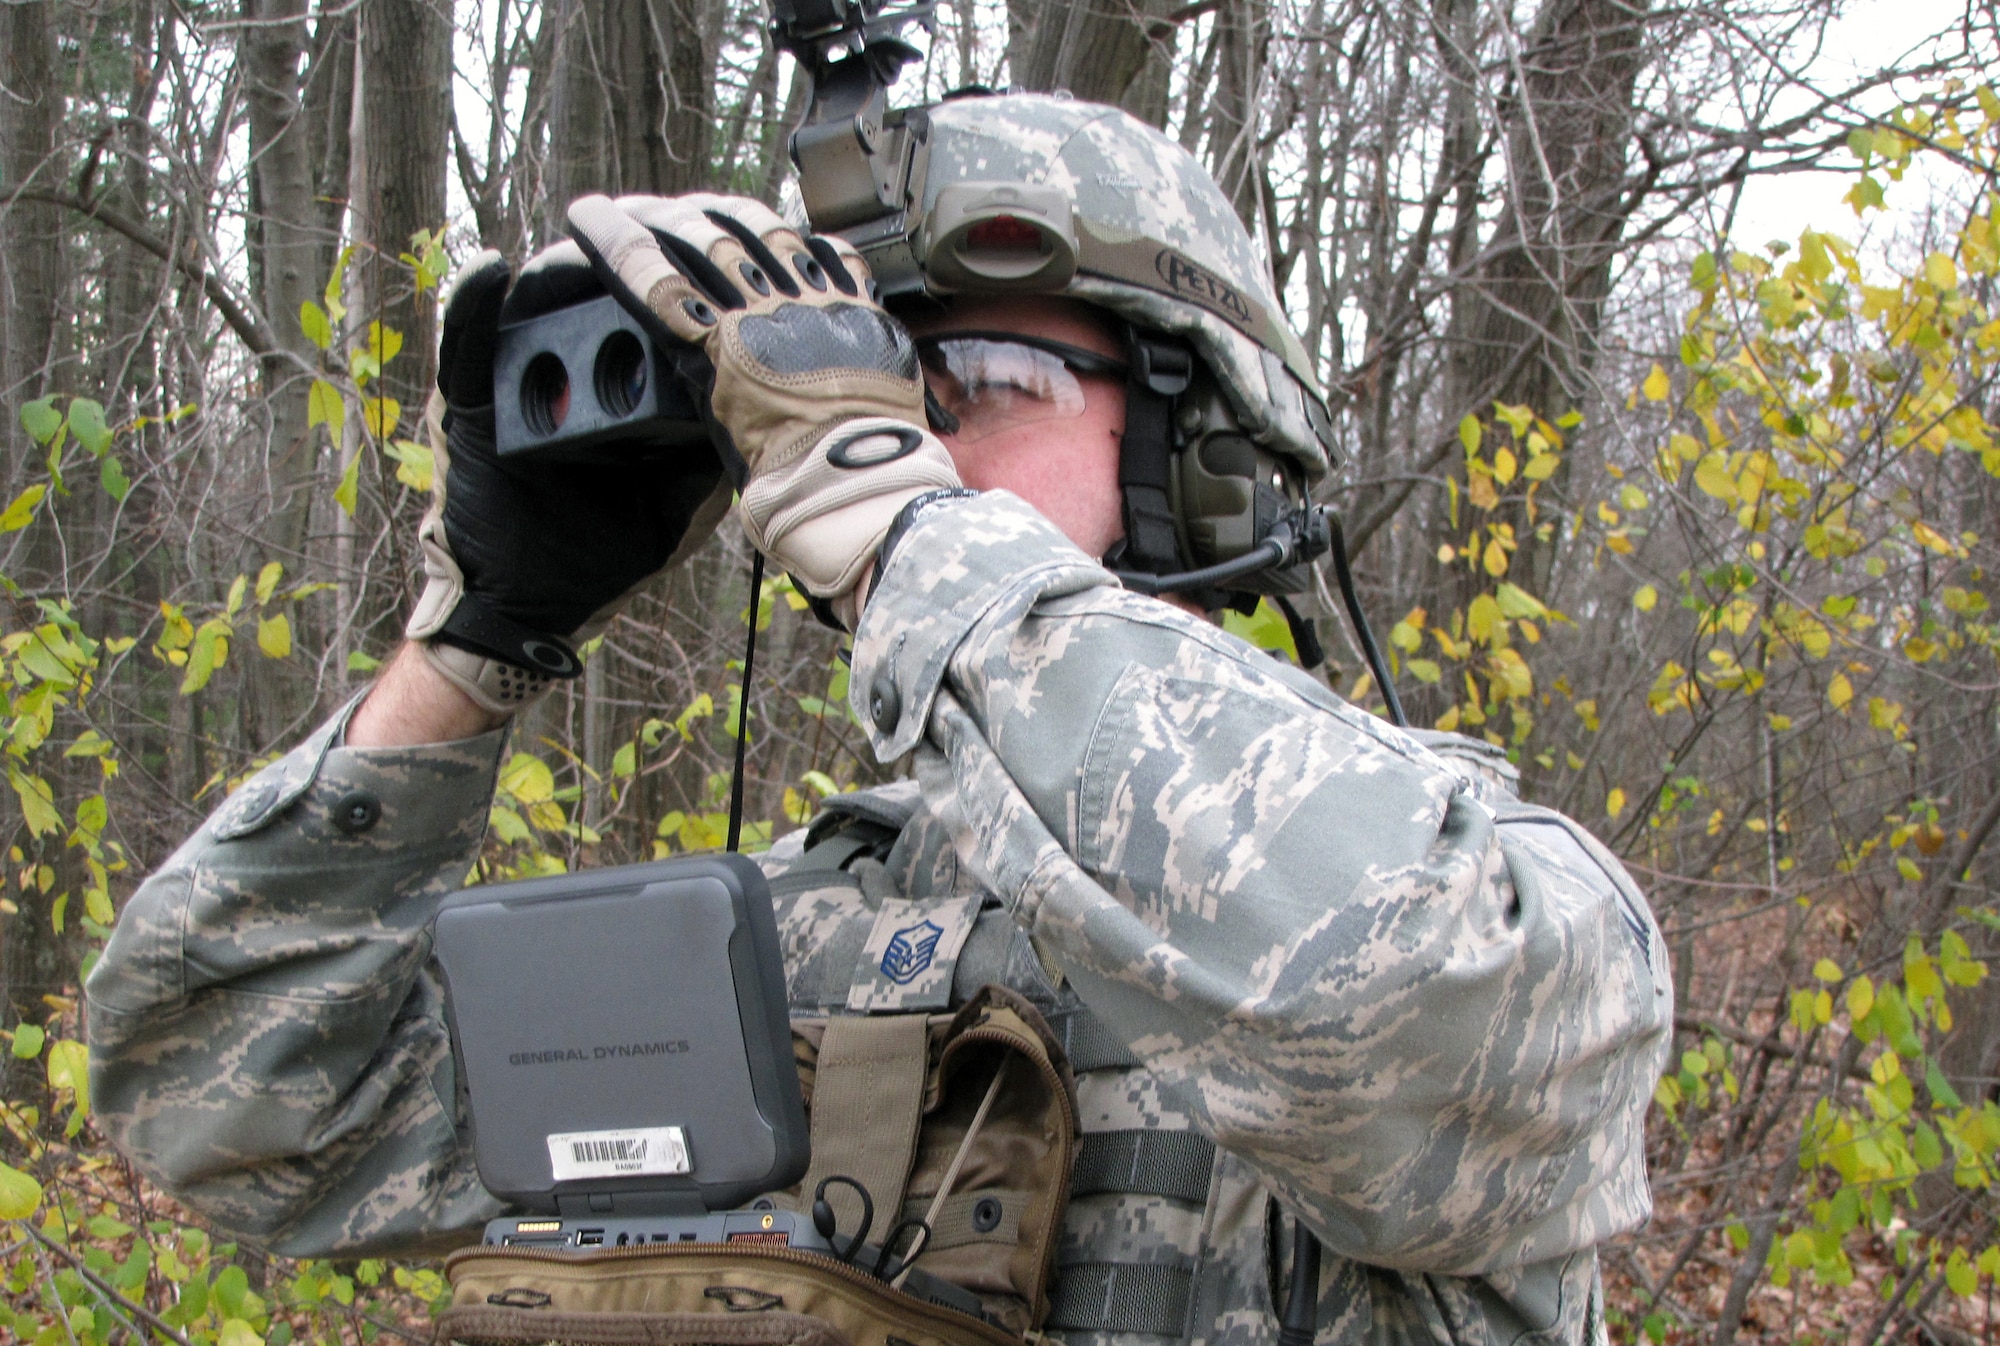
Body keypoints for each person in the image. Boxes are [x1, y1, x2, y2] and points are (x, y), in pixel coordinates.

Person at [85, 94, 1672, 1345]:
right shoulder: (804, 936)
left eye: (965, 377)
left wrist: (897, 521)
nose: (892, 433)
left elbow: (1390, 1005)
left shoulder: (1488, 903)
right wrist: (477, 642)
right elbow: (236, 1095)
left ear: (1200, 441)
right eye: (848, 388)